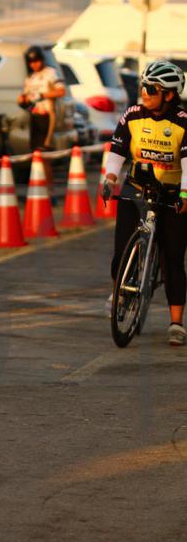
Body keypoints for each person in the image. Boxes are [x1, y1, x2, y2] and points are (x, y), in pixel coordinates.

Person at [102, 59, 187, 346]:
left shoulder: (182, 121)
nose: (144, 92)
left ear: (169, 94)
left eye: (151, 88)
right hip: (137, 187)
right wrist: (110, 179)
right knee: (120, 252)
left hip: (173, 193)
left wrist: (185, 194)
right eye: (143, 86)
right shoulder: (133, 115)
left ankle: (176, 322)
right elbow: (117, 150)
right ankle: (121, 292)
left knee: (174, 258)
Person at [17, 45, 65, 192]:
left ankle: (49, 191)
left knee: (45, 155)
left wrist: (43, 95)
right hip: (34, 116)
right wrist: (22, 100)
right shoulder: (30, 78)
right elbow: (26, 98)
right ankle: (39, 189)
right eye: (31, 62)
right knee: (35, 154)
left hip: (47, 116)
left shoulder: (51, 73)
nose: (35, 64)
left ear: (42, 60)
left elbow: (61, 91)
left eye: (37, 61)